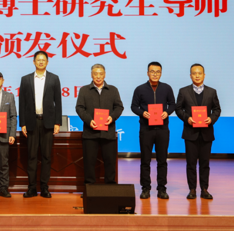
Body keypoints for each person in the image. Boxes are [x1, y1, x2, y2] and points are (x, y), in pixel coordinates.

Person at [175, 63, 222, 199]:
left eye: (199, 73)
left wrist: (211, 119)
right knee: (191, 163)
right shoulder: (183, 91)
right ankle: (192, 189)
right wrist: (187, 118)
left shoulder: (212, 92)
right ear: (190, 76)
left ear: (204, 75)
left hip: (206, 133)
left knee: (204, 163)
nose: (197, 76)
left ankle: (204, 189)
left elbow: (217, 109)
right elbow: (178, 109)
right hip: (190, 133)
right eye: (194, 73)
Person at [131, 61, 177, 200]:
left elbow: (173, 104)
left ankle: (162, 188)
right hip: (146, 129)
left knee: (162, 160)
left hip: (162, 129)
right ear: (147, 73)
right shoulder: (140, 89)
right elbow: (134, 106)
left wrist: (167, 112)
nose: (155, 74)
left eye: (157, 72)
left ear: (161, 73)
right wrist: (142, 113)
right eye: (152, 71)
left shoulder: (167, 88)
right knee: (145, 160)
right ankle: (145, 188)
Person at [19, 50, 62, 198]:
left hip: (48, 122)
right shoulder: (25, 79)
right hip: (31, 122)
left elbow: (58, 101)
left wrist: (57, 122)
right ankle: (32, 188)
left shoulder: (54, 78)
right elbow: (22, 102)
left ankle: (44, 187)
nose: (41, 62)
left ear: (47, 62)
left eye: (43, 60)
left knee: (46, 156)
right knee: (31, 156)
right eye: (38, 60)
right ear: (34, 62)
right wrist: (22, 123)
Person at [75, 64, 125, 189]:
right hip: (90, 132)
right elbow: (79, 108)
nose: (98, 76)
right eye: (95, 74)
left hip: (108, 132)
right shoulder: (84, 90)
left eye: (101, 73)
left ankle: (110, 188)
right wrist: (89, 120)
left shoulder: (113, 90)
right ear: (91, 75)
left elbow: (119, 107)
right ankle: (89, 189)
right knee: (89, 162)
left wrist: (112, 117)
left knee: (110, 162)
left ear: (105, 75)